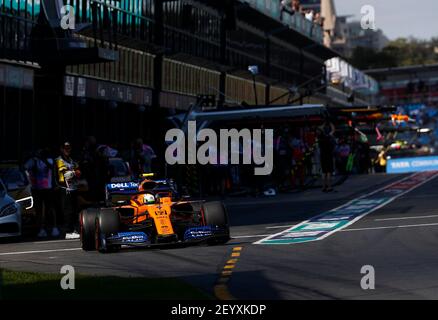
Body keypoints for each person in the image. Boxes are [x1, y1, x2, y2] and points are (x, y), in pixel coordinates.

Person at [24, 148, 59, 238]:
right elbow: (25, 168)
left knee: (50, 208)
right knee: (39, 210)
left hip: (47, 188)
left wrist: (43, 159)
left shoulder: (49, 160)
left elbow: (51, 167)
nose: (40, 155)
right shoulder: (32, 161)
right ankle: (41, 229)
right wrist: (32, 161)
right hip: (36, 189)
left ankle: (54, 228)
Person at [55, 142, 81, 239]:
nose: (67, 150)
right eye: (65, 148)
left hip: (73, 187)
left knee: (74, 210)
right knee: (68, 210)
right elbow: (66, 174)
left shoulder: (71, 160)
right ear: (61, 149)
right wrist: (74, 172)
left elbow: (78, 172)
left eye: (69, 148)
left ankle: (73, 229)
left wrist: (74, 172)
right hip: (65, 188)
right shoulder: (59, 160)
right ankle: (68, 231)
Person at [317, 119, 336, 192]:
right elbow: (333, 130)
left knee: (324, 172)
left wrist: (324, 123)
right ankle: (329, 186)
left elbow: (319, 129)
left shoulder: (319, 138)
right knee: (329, 172)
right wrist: (330, 123)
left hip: (322, 156)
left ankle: (323, 186)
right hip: (328, 155)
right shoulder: (328, 137)